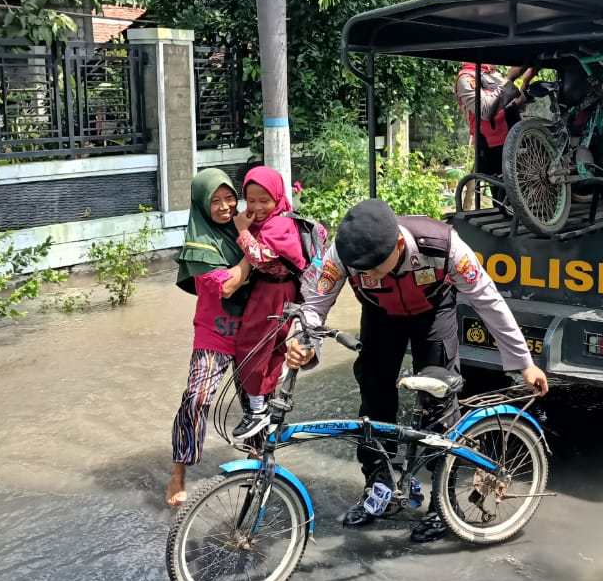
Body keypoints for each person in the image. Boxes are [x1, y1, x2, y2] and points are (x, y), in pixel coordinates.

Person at [285, 199, 549, 543]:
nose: (366, 275)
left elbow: (489, 300)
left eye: (375, 268)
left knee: (439, 404)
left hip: (433, 313)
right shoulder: (344, 253)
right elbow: (316, 304)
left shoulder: (444, 246)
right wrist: (303, 342)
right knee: (374, 396)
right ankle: (378, 487)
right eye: (360, 270)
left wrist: (523, 363)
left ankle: (442, 506)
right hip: (379, 316)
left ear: (397, 245)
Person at [166, 169, 247, 506]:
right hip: (214, 331)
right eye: (215, 200)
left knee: (259, 404)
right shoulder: (199, 243)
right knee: (197, 398)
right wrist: (253, 254)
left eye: (230, 197)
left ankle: (258, 471)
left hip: (253, 329)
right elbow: (227, 286)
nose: (225, 206)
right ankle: (178, 472)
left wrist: (250, 235)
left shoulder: (246, 226)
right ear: (202, 203)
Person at [229, 167, 306, 439]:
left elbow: (260, 257)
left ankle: (257, 411)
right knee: (270, 349)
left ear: (277, 197)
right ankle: (264, 410)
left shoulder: (280, 225)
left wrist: (242, 231)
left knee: (251, 347)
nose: (257, 207)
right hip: (276, 294)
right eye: (251, 200)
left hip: (273, 296)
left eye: (264, 200)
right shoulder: (273, 221)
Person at [455, 63, 534, 207]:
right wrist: (510, 77)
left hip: (513, 139)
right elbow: (485, 110)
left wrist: (526, 82)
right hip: (493, 147)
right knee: (504, 198)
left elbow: (511, 103)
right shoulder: (466, 78)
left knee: (526, 195)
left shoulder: (491, 74)